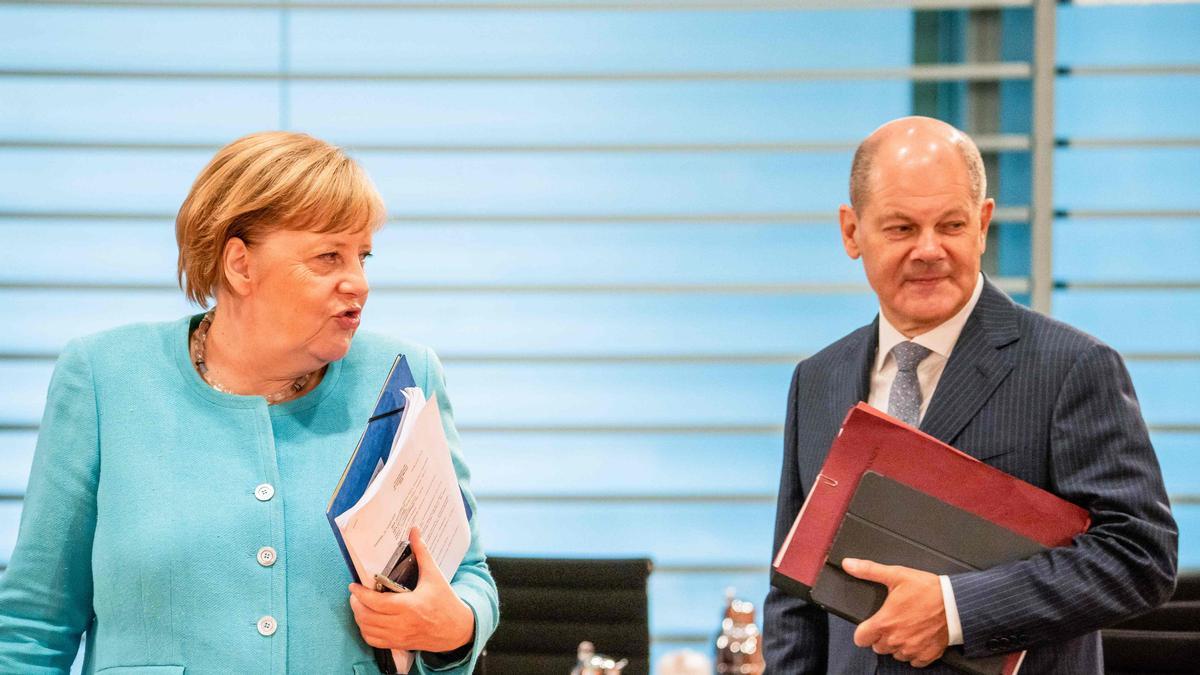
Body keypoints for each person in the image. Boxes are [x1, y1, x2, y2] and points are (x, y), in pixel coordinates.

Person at [0, 131, 498, 674]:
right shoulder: (104, 376)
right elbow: (33, 624)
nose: (358, 282)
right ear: (240, 264)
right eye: (329, 256)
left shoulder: (401, 376)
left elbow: (465, 574)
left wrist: (455, 627)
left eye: (363, 256)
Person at [763, 117, 1177, 673]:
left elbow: (1139, 556)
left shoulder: (1072, 367)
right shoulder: (818, 380)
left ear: (983, 224)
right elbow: (795, 594)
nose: (929, 250)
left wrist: (957, 611)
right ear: (851, 232)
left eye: (951, 225)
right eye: (902, 228)